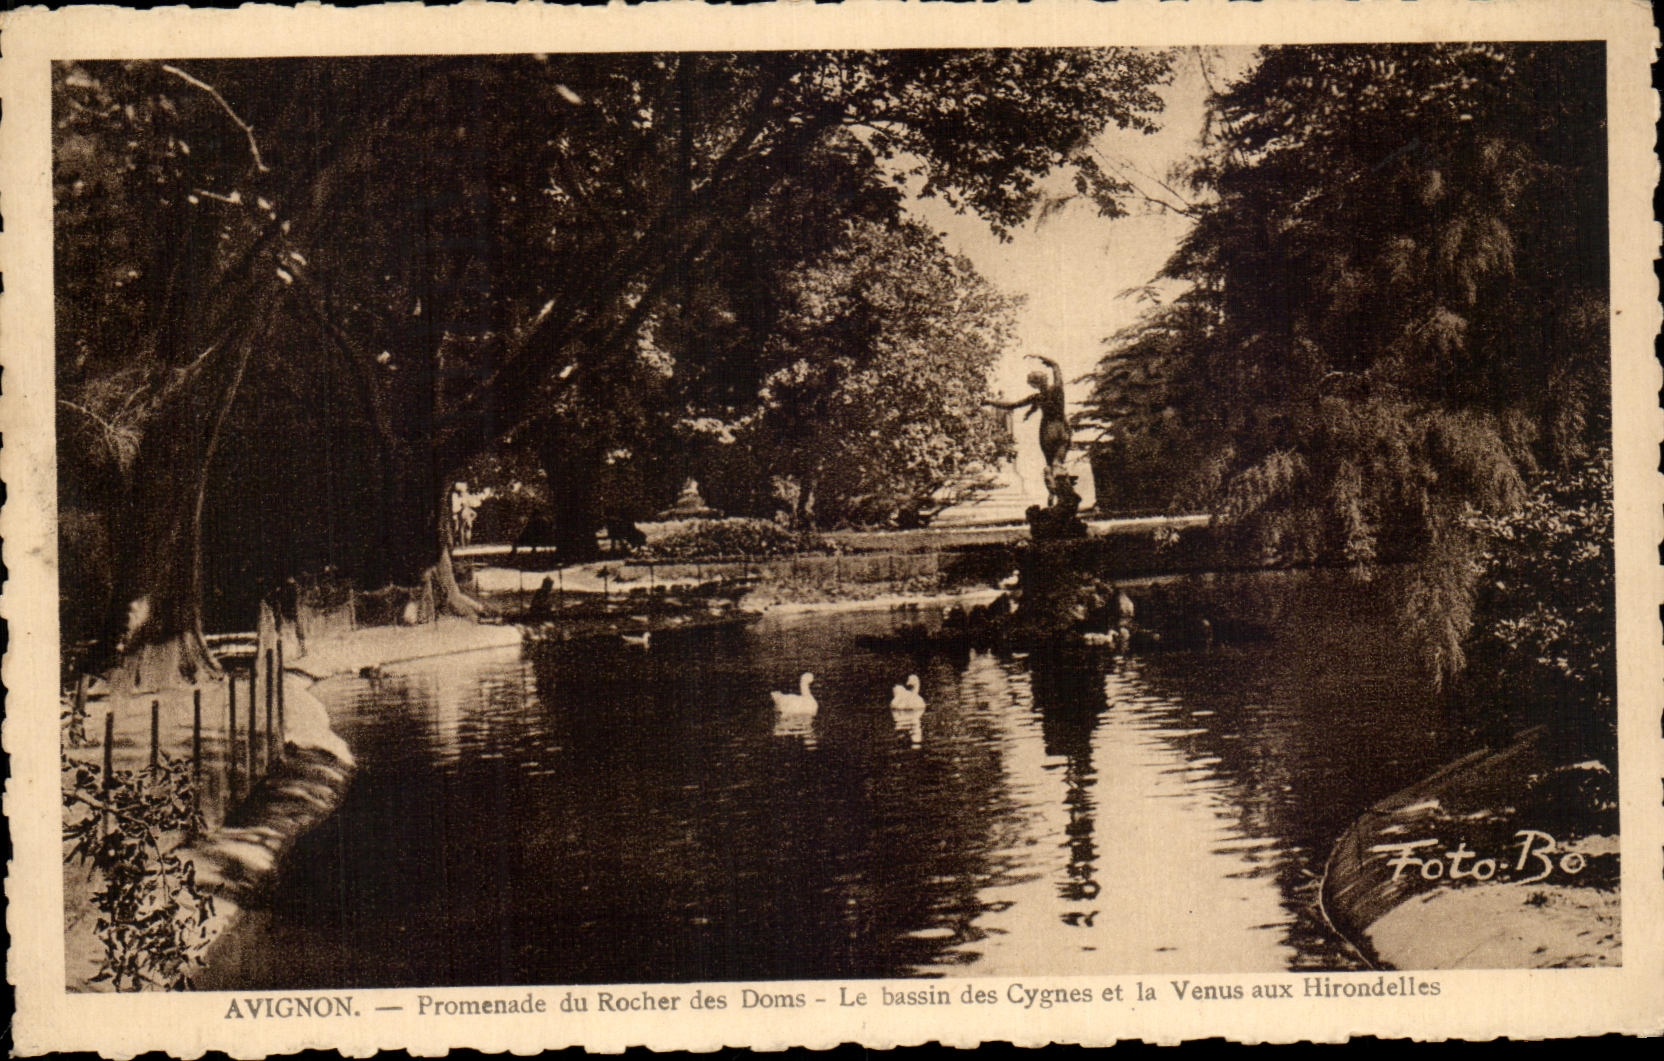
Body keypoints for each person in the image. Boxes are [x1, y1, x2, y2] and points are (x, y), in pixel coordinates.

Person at [987, 354, 1072, 503]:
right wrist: (1044, 358)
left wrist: (989, 402)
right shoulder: (1058, 390)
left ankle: (1053, 490)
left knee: (1050, 464)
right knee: (1059, 462)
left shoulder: (1037, 398)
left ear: (1035, 385)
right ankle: (1062, 492)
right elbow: (1056, 366)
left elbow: (1011, 405)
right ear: (1045, 379)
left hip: (1047, 430)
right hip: (1062, 428)